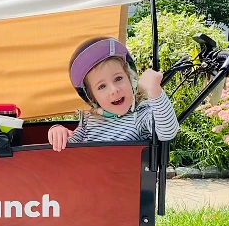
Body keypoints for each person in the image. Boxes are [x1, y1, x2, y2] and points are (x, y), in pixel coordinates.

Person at [48, 37, 179, 151]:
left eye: (118, 78)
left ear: (130, 79)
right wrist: (59, 131)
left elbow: (167, 132)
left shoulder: (140, 115)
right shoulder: (89, 121)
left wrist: (155, 92)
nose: (114, 90)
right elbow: (71, 150)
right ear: (93, 98)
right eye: (102, 86)